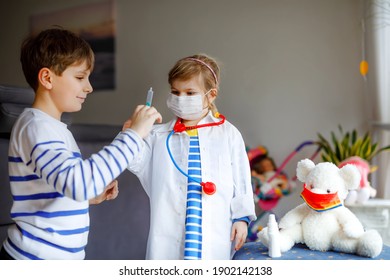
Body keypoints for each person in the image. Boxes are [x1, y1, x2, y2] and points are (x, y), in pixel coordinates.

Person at [0, 28, 162, 260]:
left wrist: (88, 197)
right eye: (79, 77)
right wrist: (134, 136)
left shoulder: (54, 128)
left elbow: (62, 183)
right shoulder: (37, 127)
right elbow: (78, 183)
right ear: (47, 78)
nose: (89, 87)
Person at [126, 54, 256, 260]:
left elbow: (241, 179)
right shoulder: (158, 135)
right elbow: (134, 162)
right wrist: (132, 134)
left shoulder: (228, 133)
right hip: (167, 234)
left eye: (190, 92)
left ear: (211, 95)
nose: (181, 99)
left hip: (214, 231)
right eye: (175, 92)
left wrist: (241, 218)